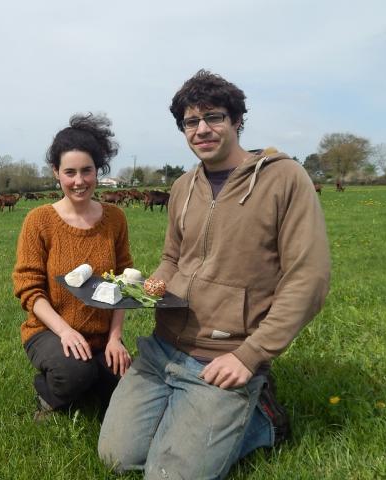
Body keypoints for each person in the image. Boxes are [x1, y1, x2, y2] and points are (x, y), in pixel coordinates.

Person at [98, 70, 331, 479]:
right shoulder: (184, 185)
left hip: (222, 355)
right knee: (118, 459)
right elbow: (172, 257)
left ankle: (262, 418)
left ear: (237, 120)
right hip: (162, 347)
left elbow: (308, 278)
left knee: (168, 476)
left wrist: (251, 355)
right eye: (191, 121)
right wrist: (152, 286)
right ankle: (191, 415)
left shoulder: (284, 178)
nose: (202, 129)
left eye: (214, 117)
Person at [13, 113, 134, 420]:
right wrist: (65, 332)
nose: (79, 181)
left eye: (86, 171)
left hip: (101, 334)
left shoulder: (115, 219)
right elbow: (29, 288)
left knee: (128, 383)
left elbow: (124, 282)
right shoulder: (39, 221)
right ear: (56, 172)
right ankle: (49, 395)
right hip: (49, 330)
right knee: (74, 372)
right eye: (70, 172)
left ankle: (93, 376)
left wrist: (115, 338)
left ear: (98, 170)